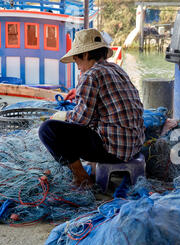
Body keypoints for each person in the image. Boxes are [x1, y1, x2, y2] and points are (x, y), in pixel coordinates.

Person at [39, 28, 145, 188]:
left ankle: (81, 178)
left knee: (47, 130)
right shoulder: (118, 69)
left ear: (86, 54)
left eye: (76, 60)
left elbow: (81, 120)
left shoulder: (90, 76)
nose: (78, 66)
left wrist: (61, 116)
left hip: (114, 151)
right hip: (134, 146)